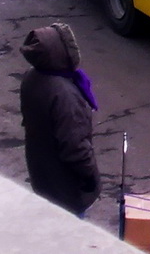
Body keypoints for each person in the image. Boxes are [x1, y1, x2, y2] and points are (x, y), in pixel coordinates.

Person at [19, 22, 101, 217]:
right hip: (67, 190)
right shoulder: (65, 95)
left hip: (42, 176)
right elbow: (75, 148)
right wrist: (91, 178)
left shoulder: (32, 77)